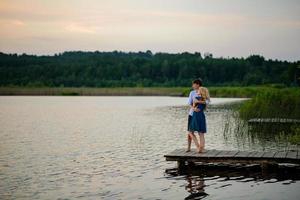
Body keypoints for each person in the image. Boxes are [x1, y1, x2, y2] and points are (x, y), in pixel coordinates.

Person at [186, 79, 210, 153]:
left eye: (194, 84)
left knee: (197, 132)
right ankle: (189, 147)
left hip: (198, 115)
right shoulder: (192, 93)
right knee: (190, 131)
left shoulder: (202, 91)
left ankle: (199, 147)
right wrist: (193, 108)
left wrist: (198, 102)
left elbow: (207, 101)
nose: (192, 85)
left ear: (198, 85)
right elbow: (189, 103)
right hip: (191, 114)